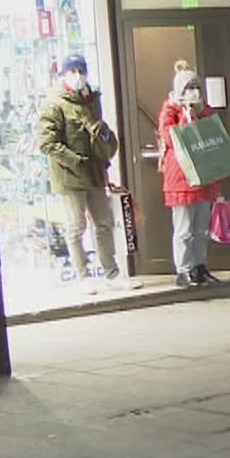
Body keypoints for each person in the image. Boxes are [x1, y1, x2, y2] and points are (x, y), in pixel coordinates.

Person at [37, 53, 136, 293]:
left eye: (81, 71)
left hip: (95, 172)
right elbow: (46, 143)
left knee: (103, 222)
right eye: (73, 71)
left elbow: (98, 134)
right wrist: (74, 161)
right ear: (63, 75)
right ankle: (82, 275)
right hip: (69, 176)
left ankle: (111, 273)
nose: (78, 76)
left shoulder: (92, 99)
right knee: (76, 225)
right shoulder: (53, 103)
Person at [157, 62, 222, 288]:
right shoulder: (169, 111)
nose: (194, 92)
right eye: (189, 88)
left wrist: (200, 111)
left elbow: (215, 132)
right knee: (184, 229)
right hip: (181, 180)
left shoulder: (205, 110)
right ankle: (183, 270)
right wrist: (187, 116)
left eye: (197, 87)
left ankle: (200, 266)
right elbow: (172, 138)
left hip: (203, 178)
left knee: (201, 229)